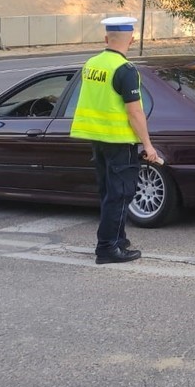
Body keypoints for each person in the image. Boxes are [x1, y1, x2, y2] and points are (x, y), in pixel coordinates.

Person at [69, 16, 163, 264]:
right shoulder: (125, 70)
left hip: (97, 139)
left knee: (110, 193)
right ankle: (108, 248)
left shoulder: (91, 63)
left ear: (105, 39)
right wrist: (148, 145)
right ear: (132, 40)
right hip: (119, 141)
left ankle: (118, 240)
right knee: (121, 194)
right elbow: (134, 112)